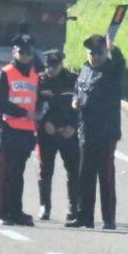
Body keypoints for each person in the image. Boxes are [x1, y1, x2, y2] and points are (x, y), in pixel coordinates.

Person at [68, 33, 125, 230]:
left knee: (106, 176)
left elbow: (121, 62)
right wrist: (75, 102)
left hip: (106, 132)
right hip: (86, 130)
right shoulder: (84, 69)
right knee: (85, 176)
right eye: (92, 53)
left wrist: (113, 47)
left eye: (99, 53)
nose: (95, 57)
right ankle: (84, 217)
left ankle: (109, 218)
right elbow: (77, 91)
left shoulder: (111, 70)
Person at [0, 35, 39, 226]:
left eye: (29, 52)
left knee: (18, 173)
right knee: (5, 172)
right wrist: (24, 113)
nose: (26, 56)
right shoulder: (6, 73)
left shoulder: (35, 75)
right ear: (14, 53)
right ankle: (1, 211)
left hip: (26, 132)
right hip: (8, 128)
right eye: (21, 52)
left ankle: (15, 210)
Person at [35, 48, 80, 223]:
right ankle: (44, 205)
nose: (51, 69)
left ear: (62, 64)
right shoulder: (40, 81)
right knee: (45, 169)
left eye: (55, 65)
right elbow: (35, 107)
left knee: (73, 170)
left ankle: (73, 207)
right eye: (49, 66)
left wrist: (73, 127)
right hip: (47, 132)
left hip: (69, 132)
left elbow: (80, 107)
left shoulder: (73, 80)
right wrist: (44, 123)